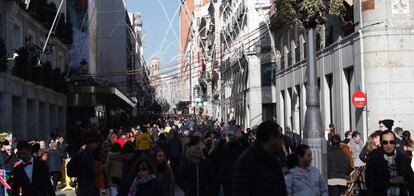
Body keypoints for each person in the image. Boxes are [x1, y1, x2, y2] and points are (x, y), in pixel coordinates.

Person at [232, 121, 287, 196]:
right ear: (271, 139)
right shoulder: (246, 162)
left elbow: (281, 189)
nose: (282, 140)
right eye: (280, 137)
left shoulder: (275, 160)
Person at [365, 130, 412, 196]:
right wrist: (390, 181)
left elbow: (411, 181)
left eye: (391, 142)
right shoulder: (374, 158)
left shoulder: (402, 157)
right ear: (381, 143)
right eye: (385, 142)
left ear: (395, 142)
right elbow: (369, 184)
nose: (388, 145)